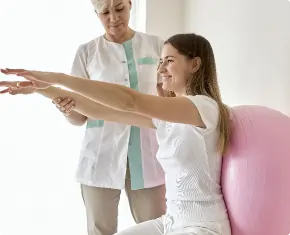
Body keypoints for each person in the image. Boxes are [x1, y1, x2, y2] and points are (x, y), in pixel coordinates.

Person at [1, 32, 232, 235]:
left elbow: (129, 101)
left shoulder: (204, 107)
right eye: (160, 61)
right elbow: (101, 111)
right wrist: (42, 89)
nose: (160, 69)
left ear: (195, 64)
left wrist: (58, 78)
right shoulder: (169, 117)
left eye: (169, 61)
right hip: (170, 223)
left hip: (202, 227)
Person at [0, 0, 167, 234]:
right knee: (100, 230)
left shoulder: (156, 45)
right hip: (100, 156)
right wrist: (67, 107)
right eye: (104, 12)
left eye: (119, 8)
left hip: (149, 155)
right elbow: (79, 118)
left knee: (157, 227)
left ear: (131, 4)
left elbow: (167, 101)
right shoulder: (87, 52)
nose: (113, 18)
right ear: (95, 13)